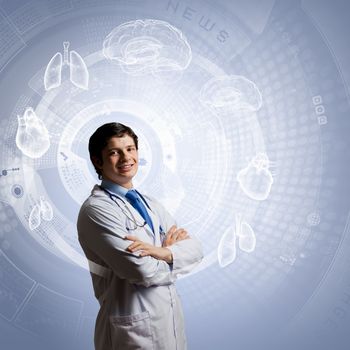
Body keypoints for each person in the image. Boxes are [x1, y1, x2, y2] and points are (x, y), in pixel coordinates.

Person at [77, 122, 203, 350]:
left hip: (170, 323)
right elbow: (141, 272)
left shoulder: (151, 204)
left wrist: (162, 252)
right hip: (132, 333)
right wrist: (174, 258)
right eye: (114, 152)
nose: (126, 158)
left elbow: (196, 250)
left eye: (130, 149)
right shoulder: (96, 210)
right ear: (97, 160)